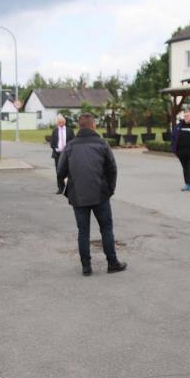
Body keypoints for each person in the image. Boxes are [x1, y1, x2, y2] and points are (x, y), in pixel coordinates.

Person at [57, 113, 127, 276]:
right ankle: (112, 262)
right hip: (100, 194)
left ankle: (86, 267)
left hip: (78, 196)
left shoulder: (70, 146)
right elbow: (112, 169)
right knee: (106, 228)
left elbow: (60, 172)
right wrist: (110, 190)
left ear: (79, 126)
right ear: (93, 125)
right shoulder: (102, 144)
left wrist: (66, 192)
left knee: (83, 231)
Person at [50, 114, 75, 194]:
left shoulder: (69, 130)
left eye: (62, 122)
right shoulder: (55, 131)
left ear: (64, 122)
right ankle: (60, 188)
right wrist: (56, 148)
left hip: (68, 154)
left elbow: (73, 141)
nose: (60, 123)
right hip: (58, 154)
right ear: (57, 123)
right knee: (59, 171)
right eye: (59, 122)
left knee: (69, 171)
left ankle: (69, 187)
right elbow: (52, 143)